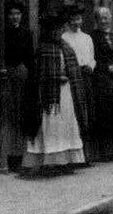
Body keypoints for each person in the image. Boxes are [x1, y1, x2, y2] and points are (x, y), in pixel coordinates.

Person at [21, 14, 86, 174]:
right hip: (50, 98)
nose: (58, 33)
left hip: (66, 94)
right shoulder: (44, 49)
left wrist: (68, 77)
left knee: (66, 126)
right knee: (50, 126)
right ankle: (48, 162)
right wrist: (57, 77)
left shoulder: (66, 47)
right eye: (55, 30)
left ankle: (65, 161)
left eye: (60, 30)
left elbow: (74, 70)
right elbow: (39, 76)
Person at [86, 6, 113, 161]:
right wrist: (106, 67)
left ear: (110, 18)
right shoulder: (92, 37)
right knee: (102, 113)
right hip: (100, 79)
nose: (104, 21)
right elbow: (92, 59)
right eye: (100, 18)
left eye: (106, 18)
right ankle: (104, 152)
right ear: (96, 21)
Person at [2, 1, 34, 173]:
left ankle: (22, 158)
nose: (15, 17)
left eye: (18, 14)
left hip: (22, 74)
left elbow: (29, 57)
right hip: (9, 75)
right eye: (12, 14)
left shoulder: (27, 33)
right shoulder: (4, 33)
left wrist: (29, 76)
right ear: (7, 16)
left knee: (21, 115)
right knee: (10, 116)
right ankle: (10, 158)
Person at [59, 5, 95, 152]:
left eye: (78, 19)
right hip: (71, 77)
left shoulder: (87, 38)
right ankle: (73, 151)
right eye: (73, 20)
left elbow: (92, 58)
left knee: (87, 112)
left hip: (85, 76)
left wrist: (91, 66)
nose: (76, 23)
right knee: (73, 113)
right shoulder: (63, 38)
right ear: (68, 21)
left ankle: (87, 152)